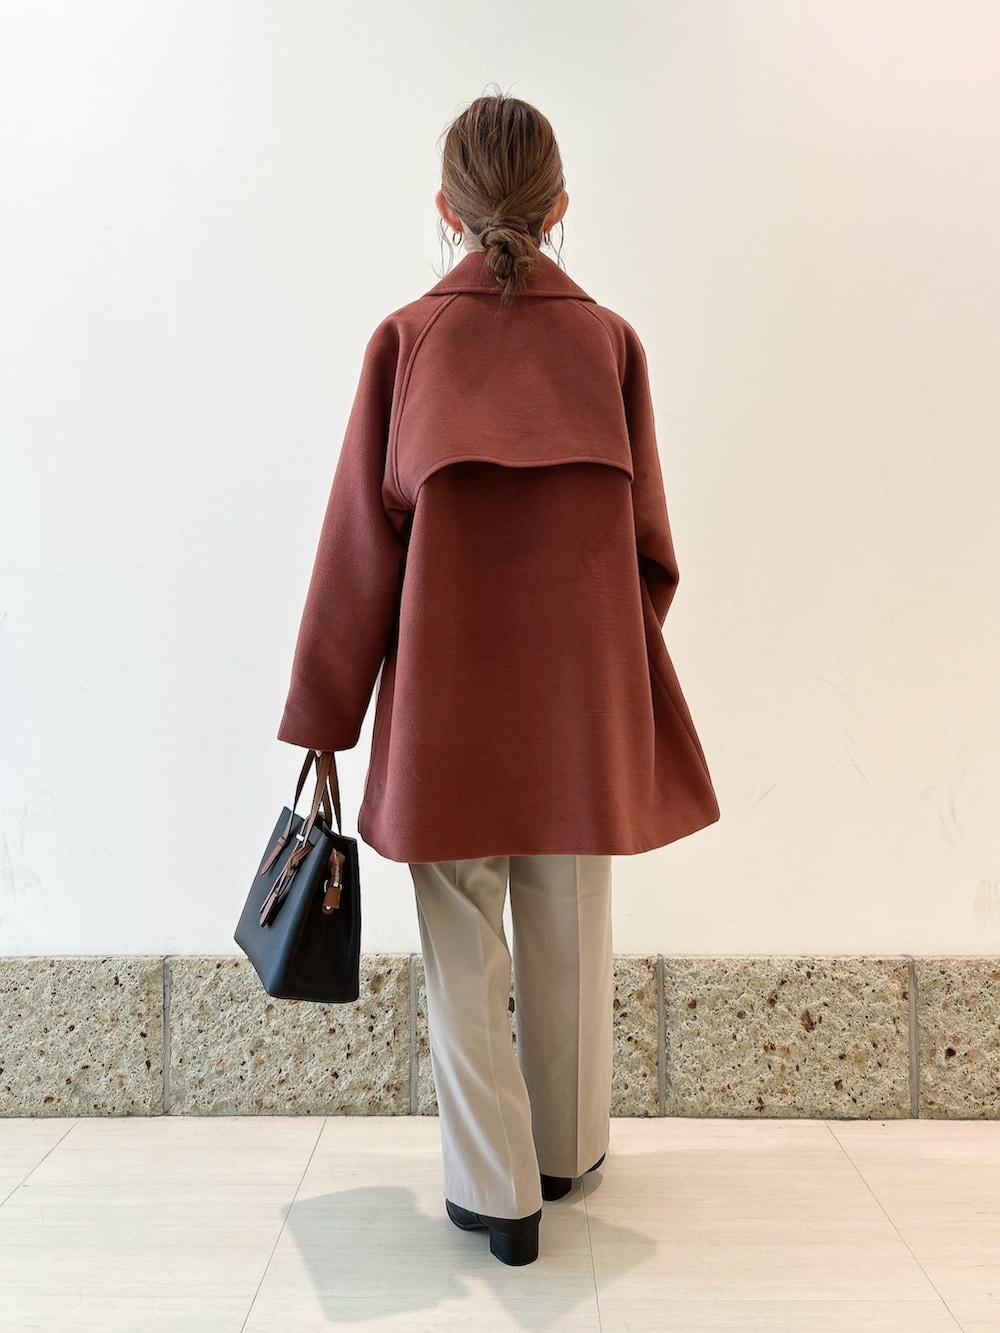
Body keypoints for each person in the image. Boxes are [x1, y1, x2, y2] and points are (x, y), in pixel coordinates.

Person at [277, 93, 720, 1266]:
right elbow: (652, 554)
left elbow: (358, 550)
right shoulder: (610, 344)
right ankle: (567, 1152)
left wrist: (325, 710)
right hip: (579, 702)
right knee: (569, 917)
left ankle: (499, 1194)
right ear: (561, 205)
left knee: (463, 933)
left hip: (446, 704)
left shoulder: (407, 341)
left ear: (445, 210)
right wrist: (597, 664)